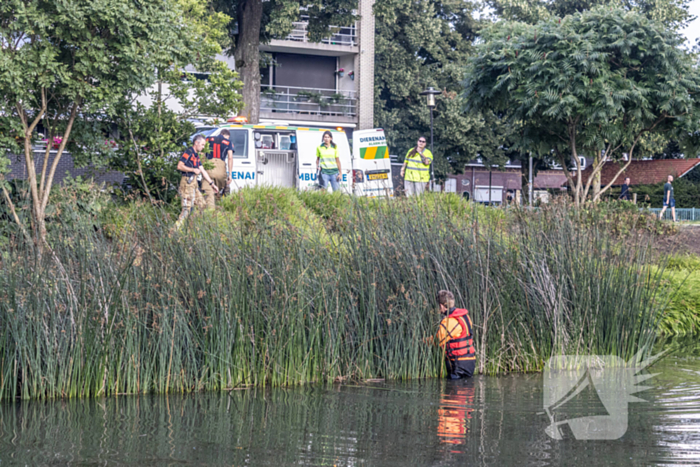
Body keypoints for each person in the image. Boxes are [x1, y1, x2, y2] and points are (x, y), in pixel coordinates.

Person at [175, 135, 218, 229]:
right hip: (187, 182)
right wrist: (193, 170)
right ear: (196, 143)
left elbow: (203, 171)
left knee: (201, 205)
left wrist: (212, 184)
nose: (203, 147)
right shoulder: (188, 152)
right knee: (186, 209)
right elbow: (179, 166)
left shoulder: (196, 155)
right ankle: (175, 230)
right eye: (202, 145)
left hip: (193, 183)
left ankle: (193, 227)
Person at [436, 290, 476, 379]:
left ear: (441, 306)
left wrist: (421, 340)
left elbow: (437, 341)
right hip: (470, 361)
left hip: (458, 363)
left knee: (454, 390)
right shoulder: (465, 317)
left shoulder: (449, 322)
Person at [206, 129, 234, 197]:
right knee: (221, 189)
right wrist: (230, 174)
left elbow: (201, 153)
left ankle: (208, 205)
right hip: (220, 168)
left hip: (209, 167)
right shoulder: (228, 142)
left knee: (208, 191)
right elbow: (230, 157)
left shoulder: (207, 139)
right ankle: (219, 204)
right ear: (226, 135)